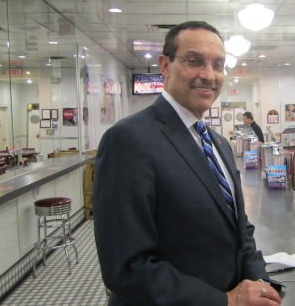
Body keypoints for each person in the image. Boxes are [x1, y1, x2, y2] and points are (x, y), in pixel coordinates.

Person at [92, 21, 281, 306]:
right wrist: (225, 301)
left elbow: (241, 229)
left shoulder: (219, 144)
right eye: (194, 61)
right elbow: (127, 268)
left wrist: (260, 284)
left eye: (218, 64)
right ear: (165, 65)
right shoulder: (128, 140)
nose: (209, 75)